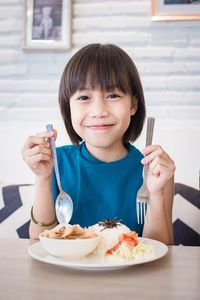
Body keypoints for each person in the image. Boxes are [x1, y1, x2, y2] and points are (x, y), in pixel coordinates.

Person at [22, 43, 175, 244]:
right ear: (68, 108)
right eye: (84, 97)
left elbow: (161, 249)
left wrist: (155, 193)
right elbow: (39, 239)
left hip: (130, 275)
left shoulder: (155, 169)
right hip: (68, 274)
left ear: (133, 105)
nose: (98, 111)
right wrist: (43, 178)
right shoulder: (56, 163)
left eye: (113, 96)